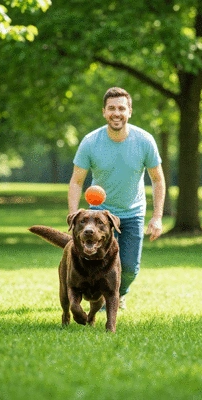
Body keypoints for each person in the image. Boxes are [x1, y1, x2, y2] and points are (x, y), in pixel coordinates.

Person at [68, 87, 166, 309]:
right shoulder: (91, 142)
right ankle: (103, 299)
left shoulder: (144, 141)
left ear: (130, 111)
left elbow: (158, 180)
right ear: (104, 112)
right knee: (97, 261)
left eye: (122, 108)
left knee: (130, 267)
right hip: (100, 214)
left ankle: (118, 293)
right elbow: (76, 181)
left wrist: (157, 216)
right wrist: (74, 215)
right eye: (111, 108)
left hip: (132, 213)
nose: (116, 113)